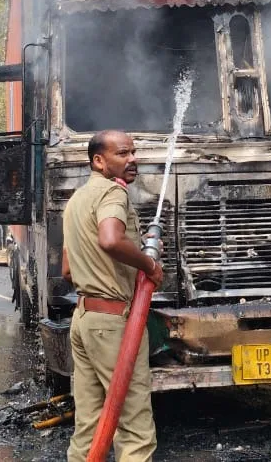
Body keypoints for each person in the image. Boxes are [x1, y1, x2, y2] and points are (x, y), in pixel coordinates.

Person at [62, 131, 163, 462]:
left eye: (134, 152)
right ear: (99, 161)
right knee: (134, 427)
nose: (132, 159)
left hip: (84, 321)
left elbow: (67, 269)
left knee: (89, 424)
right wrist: (149, 264)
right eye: (122, 153)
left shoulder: (77, 200)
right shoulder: (113, 194)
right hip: (113, 324)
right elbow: (109, 239)